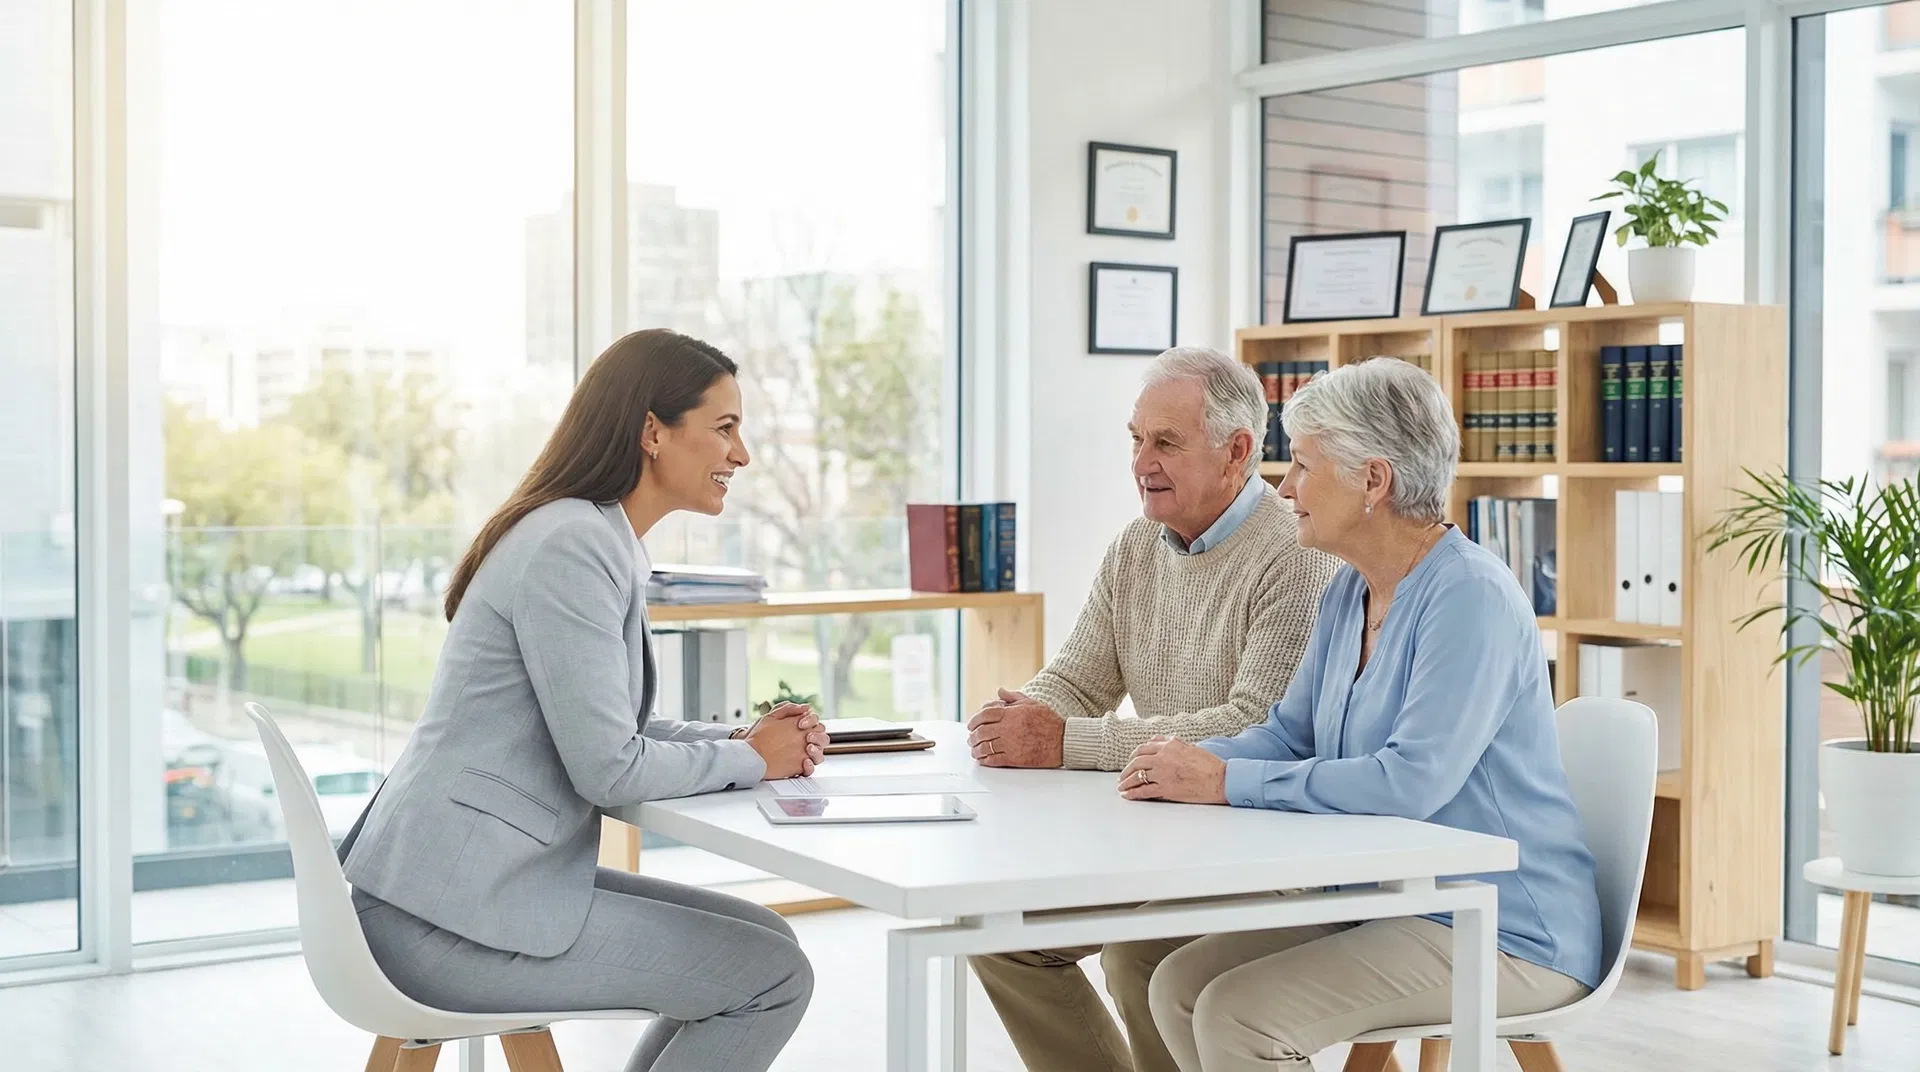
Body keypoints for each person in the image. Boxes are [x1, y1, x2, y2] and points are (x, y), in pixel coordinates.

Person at [340, 329, 828, 1072]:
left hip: (461, 892)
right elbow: (609, 769)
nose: (743, 454)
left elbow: (613, 727)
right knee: (772, 978)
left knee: (771, 943)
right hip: (441, 921)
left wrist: (742, 740)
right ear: (653, 432)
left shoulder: (594, 535)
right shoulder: (572, 545)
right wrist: (749, 760)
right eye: (725, 428)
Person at [1105, 356, 1601, 1071]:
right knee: (1178, 982)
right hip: (1390, 898)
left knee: (1238, 1015)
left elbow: (1409, 782)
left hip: (1503, 925)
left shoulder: (1470, 599)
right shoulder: (1350, 592)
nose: (1284, 489)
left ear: (1373, 481)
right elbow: (1288, 732)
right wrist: (1188, 763)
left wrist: (1224, 783)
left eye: (1303, 466)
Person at [966, 346, 1339, 1072]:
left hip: (1263, 846)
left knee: (1143, 952)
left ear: (1237, 453)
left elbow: (1253, 724)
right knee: (1000, 929)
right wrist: (1016, 722)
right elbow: (1076, 682)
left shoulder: (1297, 555)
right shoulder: (1136, 546)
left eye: (1165, 442)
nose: (1142, 461)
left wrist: (1064, 740)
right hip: (1153, 837)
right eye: (1135, 439)